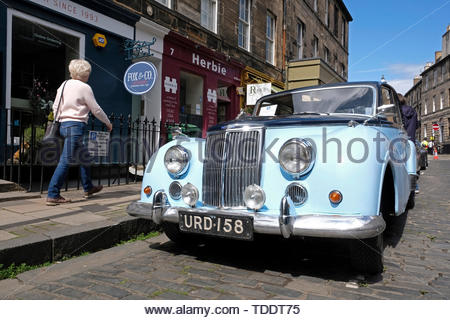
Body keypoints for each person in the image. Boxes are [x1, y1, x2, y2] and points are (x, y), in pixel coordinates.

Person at [46, 59, 112, 205]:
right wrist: (107, 122)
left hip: (63, 126)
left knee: (84, 157)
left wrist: (63, 118)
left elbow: (55, 106)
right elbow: (96, 109)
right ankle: (53, 194)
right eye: (88, 72)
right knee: (65, 160)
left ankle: (88, 188)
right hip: (75, 127)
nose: (89, 74)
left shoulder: (63, 85)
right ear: (84, 73)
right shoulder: (84, 87)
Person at [398, 93, 420, 194]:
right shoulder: (413, 111)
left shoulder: (397, 111)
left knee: (399, 163)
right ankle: (414, 186)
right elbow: (416, 125)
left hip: (399, 139)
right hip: (411, 139)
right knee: (411, 164)